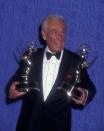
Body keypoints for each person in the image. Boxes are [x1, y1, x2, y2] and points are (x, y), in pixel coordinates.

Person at [9, 15, 96, 131]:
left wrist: (84, 95)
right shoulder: (31, 57)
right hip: (29, 125)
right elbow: (16, 80)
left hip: (58, 127)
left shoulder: (75, 60)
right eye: (54, 32)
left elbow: (90, 87)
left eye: (63, 32)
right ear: (44, 35)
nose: (61, 37)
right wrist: (13, 89)